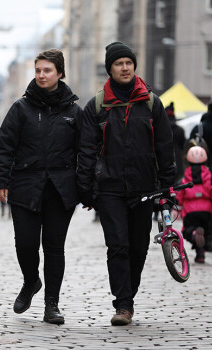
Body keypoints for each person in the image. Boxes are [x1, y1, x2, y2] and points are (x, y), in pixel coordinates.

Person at [77, 42, 176, 326]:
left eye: (128, 63)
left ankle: (128, 294)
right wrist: (85, 187)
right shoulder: (97, 106)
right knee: (118, 246)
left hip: (145, 188)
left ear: (134, 66)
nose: (124, 67)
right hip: (109, 188)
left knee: (138, 246)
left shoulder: (151, 104)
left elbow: (165, 147)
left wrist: (167, 188)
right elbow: (85, 149)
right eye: (119, 63)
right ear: (110, 68)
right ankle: (123, 304)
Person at [0, 49, 81, 324]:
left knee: (54, 247)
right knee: (26, 244)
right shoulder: (21, 108)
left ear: (60, 73)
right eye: (38, 70)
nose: (42, 75)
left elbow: (86, 151)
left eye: (48, 70)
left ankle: (51, 304)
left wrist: (86, 188)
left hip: (60, 189)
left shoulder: (74, 111)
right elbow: (4, 146)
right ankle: (31, 281)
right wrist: (0, 181)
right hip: (25, 186)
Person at [174, 146, 212, 263]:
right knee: (206, 232)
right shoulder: (208, 175)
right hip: (207, 210)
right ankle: (200, 255)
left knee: (188, 231)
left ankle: (195, 235)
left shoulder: (186, 176)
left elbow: (180, 194)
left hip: (190, 211)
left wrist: (178, 209)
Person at [165, 103, 186, 184]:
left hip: (165, 158)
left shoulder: (161, 130)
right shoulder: (180, 130)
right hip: (178, 158)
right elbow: (182, 145)